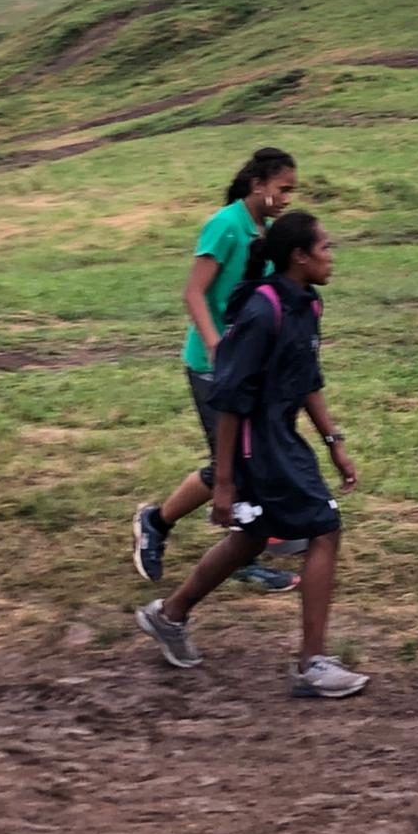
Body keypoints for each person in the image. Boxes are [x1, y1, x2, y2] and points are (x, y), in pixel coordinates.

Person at [135, 211, 368, 699]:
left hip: (281, 438)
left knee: (252, 538)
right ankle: (311, 665)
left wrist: (334, 443)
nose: (332, 256)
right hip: (255, 444)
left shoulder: (308, 303)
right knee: (324, 528)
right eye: (325, 247)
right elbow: (229, 398)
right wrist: (224, 481)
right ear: (299, 257)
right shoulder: (263, 312)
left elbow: (307, 379)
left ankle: (169, 615)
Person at [133, 148, 301, 592]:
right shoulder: (226, 225)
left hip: (246, 365)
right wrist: (216, 346)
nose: (287, 198)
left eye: (292, 191)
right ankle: (157, 523)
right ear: (258, 185)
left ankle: (245, 546)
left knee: (249, 459)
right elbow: (194, 293)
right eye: (282, 189)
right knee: (229, 464)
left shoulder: (264, 231)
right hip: (213, 367)